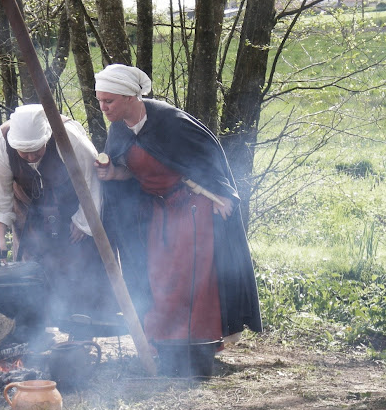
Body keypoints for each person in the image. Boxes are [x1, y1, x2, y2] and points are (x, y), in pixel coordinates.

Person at [94, 64, 261, 351]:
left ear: (130, 97)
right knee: (158, 277)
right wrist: (113, 174)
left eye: (108, 101)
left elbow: (206, 156)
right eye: (100, 100)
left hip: (192, 208)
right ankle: (165, 341)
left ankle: (197, 344)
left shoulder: (170, 122)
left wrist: (224, 195)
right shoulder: (118, 131)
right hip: (156, 212)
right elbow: (131, 172)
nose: (103, 107)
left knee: (190, 277)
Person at [0, 103, 117, 327]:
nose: (30, 155)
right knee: (33, 273)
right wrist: (0, 243)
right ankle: (37, 332)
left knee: (81, 271)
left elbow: (91, 180)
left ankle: (82, 331)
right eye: (23, 151)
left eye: (36, 149)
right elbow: (0, 195)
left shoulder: (70, 137)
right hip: (29, 215)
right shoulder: (1, 142)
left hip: (74, 208)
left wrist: (83, 221)